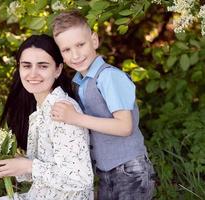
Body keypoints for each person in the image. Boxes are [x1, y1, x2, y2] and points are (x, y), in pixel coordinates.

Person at [0, 34, 93, 200]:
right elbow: (46, 172)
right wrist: (15, 165)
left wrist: (28, 166)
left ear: (58, 70)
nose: (33, 74)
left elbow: (80, 179)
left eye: (43, 66)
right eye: (26, 66)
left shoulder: (64, 111)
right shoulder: (39, 111)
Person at [50, 10, 155, 200]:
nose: (75, 55)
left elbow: (125, 127)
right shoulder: (80, 81)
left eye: (80, 45)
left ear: (95, 40)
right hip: (106, 170)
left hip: (129, 169)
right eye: (66, 50)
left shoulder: (109, 77)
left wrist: (76, 118)